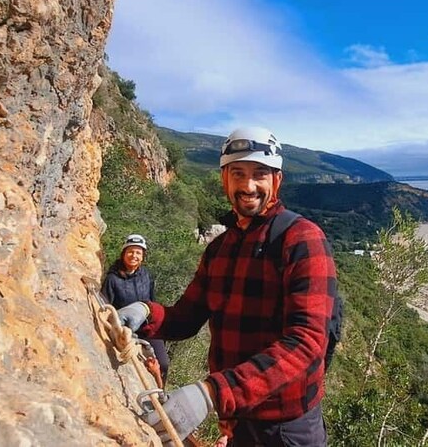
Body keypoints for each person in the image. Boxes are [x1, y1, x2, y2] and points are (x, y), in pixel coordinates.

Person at [117, 127, 338, 446]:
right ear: (225, 179)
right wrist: (145, 313)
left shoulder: (303, 240)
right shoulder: (220, 249)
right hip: (237, 421)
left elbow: (306, 342)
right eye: (238, 174)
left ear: (277, 180)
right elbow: (185, 318)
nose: (248, 186)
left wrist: (210, 393)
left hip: (287, 429)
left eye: (260, 174)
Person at [102, 233, 170, 385]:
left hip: (148, 326)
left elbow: (152, 302)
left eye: (138, 253)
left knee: (163, 364)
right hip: (127, 329)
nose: (134, 256)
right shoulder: (112, 279)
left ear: (143, 256)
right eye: (130, 252)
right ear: (123, 254)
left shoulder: (146, 275)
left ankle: (160, 392)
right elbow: (107, 307)